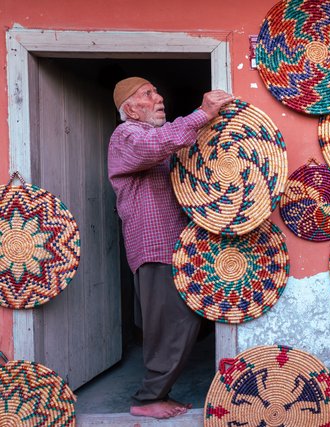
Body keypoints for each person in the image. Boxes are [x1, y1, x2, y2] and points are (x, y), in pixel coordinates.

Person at [108, 77, 234, 419]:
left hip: (175, 248)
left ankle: (158, 391)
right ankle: (148, 399)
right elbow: (155, 146)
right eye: (148, 94)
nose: (158, 97)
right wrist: (202, 113)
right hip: (154, 249)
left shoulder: (156, 142)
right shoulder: (127, 137)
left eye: (156, 91)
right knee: (170, 324)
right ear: (130, 108)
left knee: (183, 320)